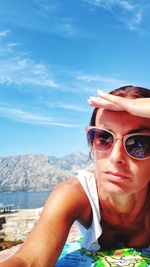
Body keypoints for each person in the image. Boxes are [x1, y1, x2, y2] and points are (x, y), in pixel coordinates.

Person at [1, 85, 150, 267]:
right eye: (103, 138)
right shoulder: (74, 194)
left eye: (139, 143)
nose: (116, 156)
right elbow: (30, 260)